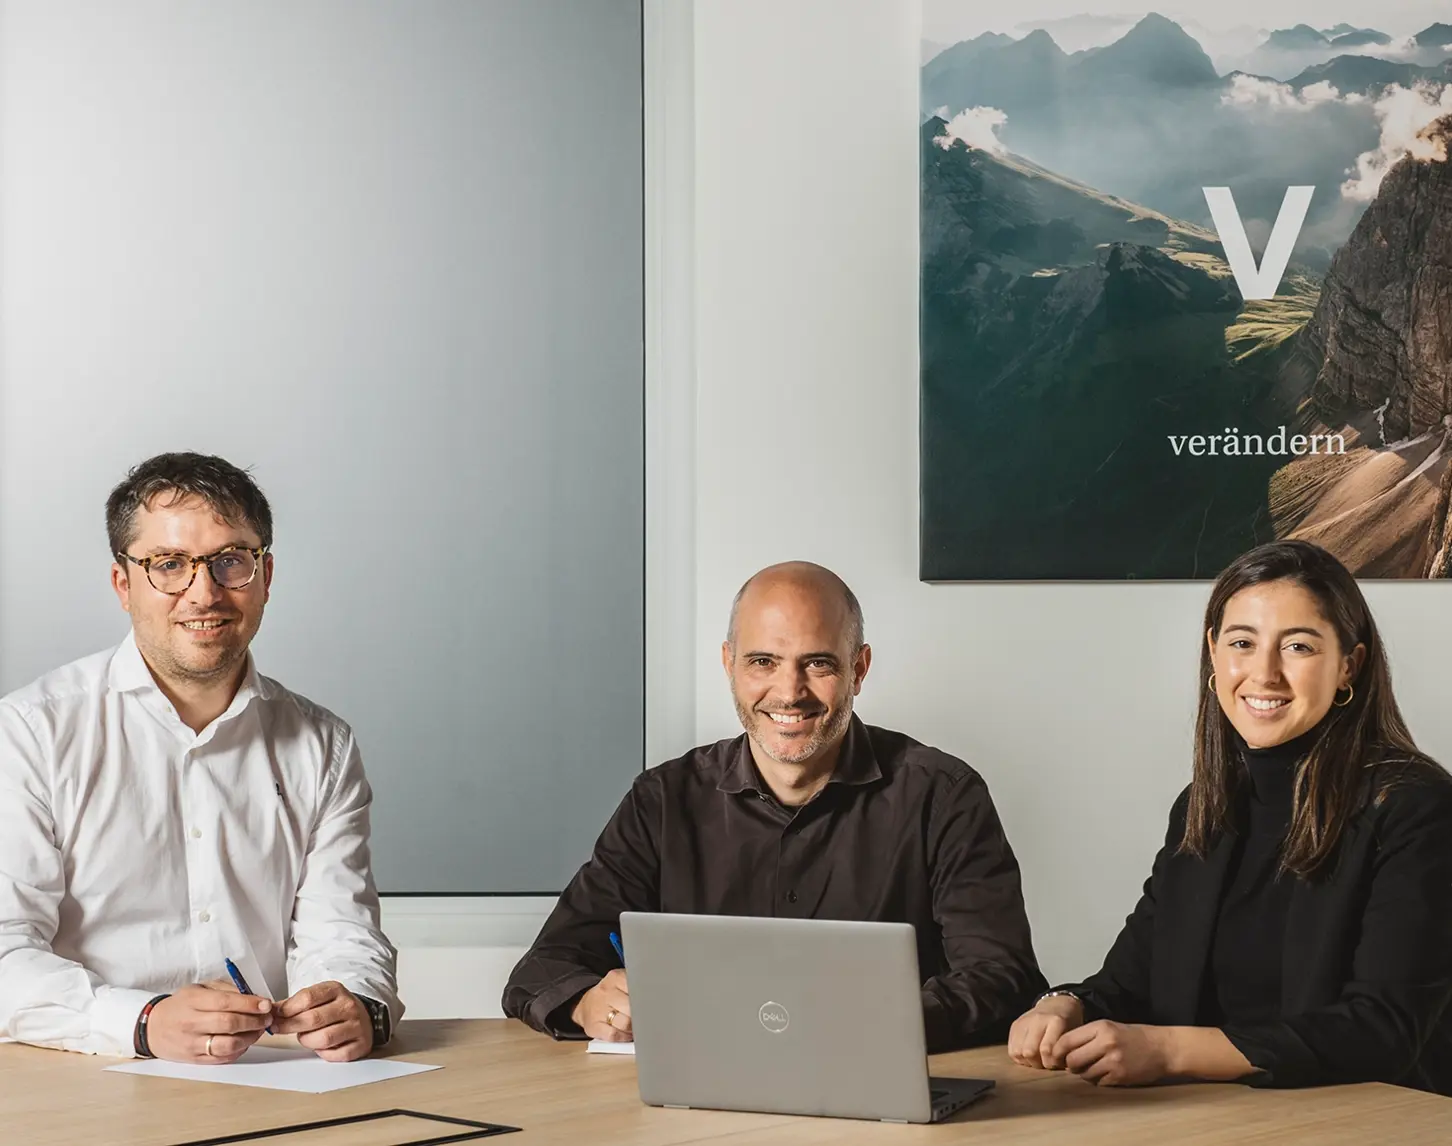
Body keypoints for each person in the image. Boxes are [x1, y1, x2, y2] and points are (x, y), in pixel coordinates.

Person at [503, 560, 1045, 1052]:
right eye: (763, 661)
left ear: (859, 669)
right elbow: (542, 969)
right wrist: (585, 1002)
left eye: (818, 664)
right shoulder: (662, 800)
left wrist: (867, 1027)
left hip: (878, 1091)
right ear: (729, 664)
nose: (789, 692)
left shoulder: (943, 794)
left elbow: (1004, 977)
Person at [1008, 540, 1452, 1092]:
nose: (1264, 673)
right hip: (1221, 1119)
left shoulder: (1417, 807)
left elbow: (1383, 1029)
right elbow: (1132, 978)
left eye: (1298, 647)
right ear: (1214, 654)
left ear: (1349, 667)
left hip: (1372, 1121)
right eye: (1243, 642)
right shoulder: (1205, 805)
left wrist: (1170, 1050)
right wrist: (1064, 1006)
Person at [0, 453, 400, 1064]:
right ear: (123, 584)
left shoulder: (324, 745)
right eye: (169, 565)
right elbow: (4, 952)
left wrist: (354, 1002)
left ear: (265, 576)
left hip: (272, 1078)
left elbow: (342, 931)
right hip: (81, 1078)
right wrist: (142, 1022)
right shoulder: (31, 732)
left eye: (230, 561)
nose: (204, 592)